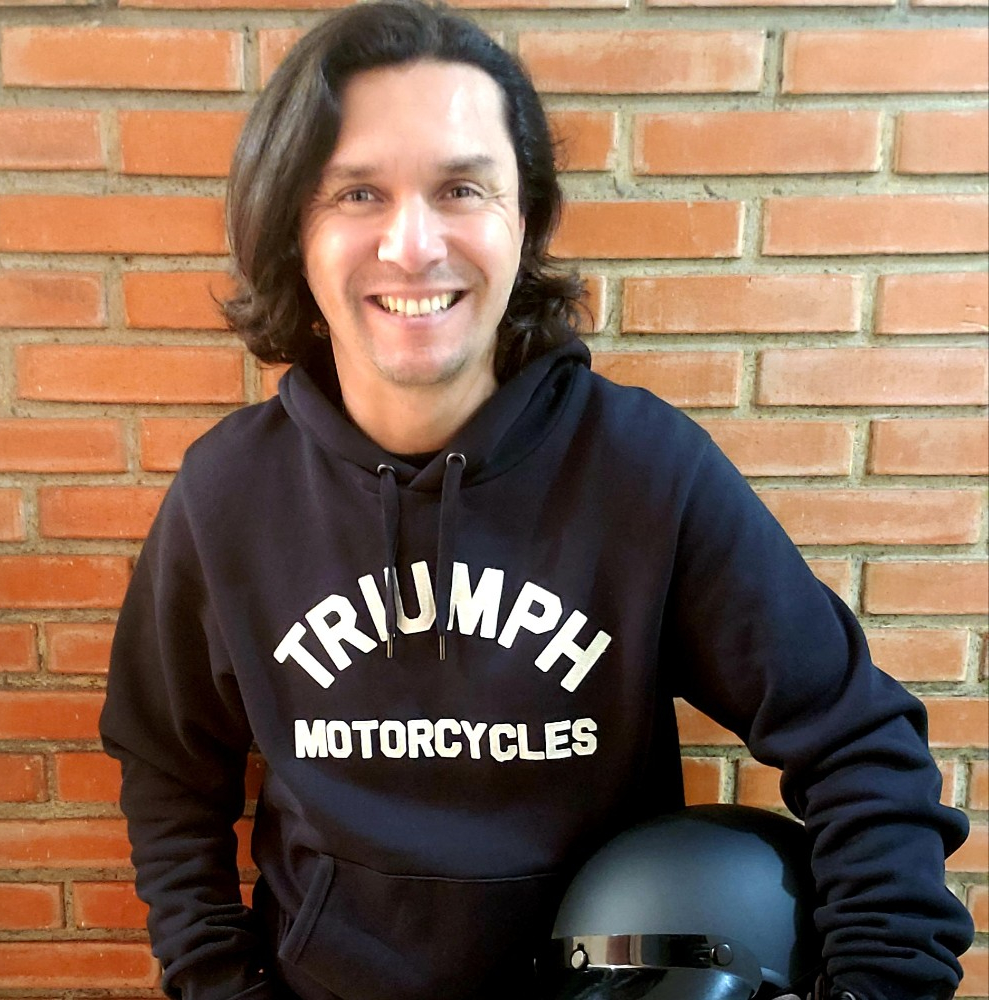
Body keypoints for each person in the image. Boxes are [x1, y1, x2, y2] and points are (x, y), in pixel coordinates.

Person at [98, 2, 974, 999]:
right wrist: (221, 984)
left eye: (461, 188)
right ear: (293, 229)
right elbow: (168, 770)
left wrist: (880, 982)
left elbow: (858, 742)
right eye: (357, 193)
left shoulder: (644, 471)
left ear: (524, 222)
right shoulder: (227, 495)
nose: (412, 244)